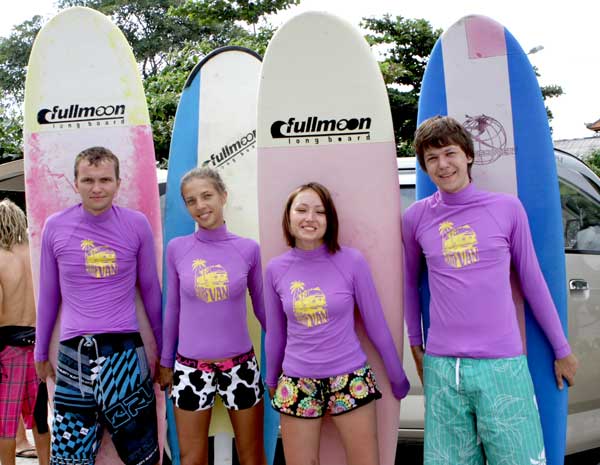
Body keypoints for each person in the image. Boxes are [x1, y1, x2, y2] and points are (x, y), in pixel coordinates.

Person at [403, 116, 579, 464]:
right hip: (444, 367)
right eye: (432, 158)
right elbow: (409, 283)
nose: (443, 164)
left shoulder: (506, 209)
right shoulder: (415, 217)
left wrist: (562, 349)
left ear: (468, 155)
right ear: (424, 166)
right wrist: (415, 345)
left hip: (502, 364)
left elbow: (532, 281)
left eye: (449, 153)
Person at [264, 182, 409, 465]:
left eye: (320, 212)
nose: (310, 218)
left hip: (349, 377)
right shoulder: (276, 269)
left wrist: (397, 376)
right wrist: (271, 379)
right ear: (288, 216)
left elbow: (376, 324)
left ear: (329, 219)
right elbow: (276, 333)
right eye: (302, 210)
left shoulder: (351, 261)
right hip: (297, 381)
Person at [34, 147, 162, 465]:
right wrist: (40, 352)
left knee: (143, 456)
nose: (96, 188)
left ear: (118, 183)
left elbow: (151, 292)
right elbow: (49, 296)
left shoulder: (136, 225)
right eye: (88, 180)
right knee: (69, 459)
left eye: (105, 180)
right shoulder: (55, 226)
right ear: (75, 183)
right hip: (73, 355)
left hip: (125, 353)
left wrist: (165, 353)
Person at [159, 167, 267, 465]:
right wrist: (166, 362)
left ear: (223, 196)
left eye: (206, 196)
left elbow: (263, 309)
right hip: (189, 369)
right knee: (192, 458)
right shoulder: (177, 249)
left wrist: (289, 353)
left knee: (252, 457)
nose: (200, 205)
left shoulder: (248, 249)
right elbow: (173, 309)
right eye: (191, 200)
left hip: (241, 367)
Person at [0, 199, 50, 465]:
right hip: (39, 344)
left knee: (5, 423)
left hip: (7, 347)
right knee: (41, 418)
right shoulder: (35, 255)